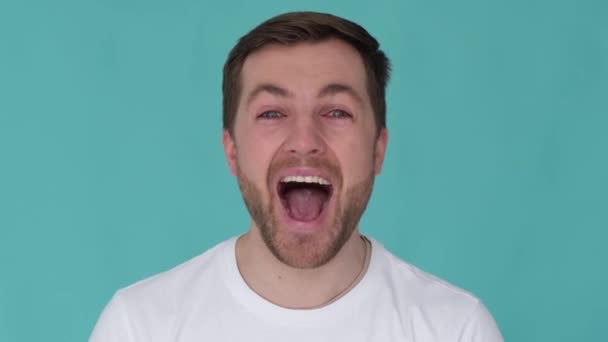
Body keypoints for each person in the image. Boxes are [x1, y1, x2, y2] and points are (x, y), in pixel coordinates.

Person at [90, 11, 503, 341]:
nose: (304, 141)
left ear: (378, 148)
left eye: (337, 112)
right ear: (231, 150)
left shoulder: (455, 329)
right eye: (272, 113)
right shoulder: (139, 327)